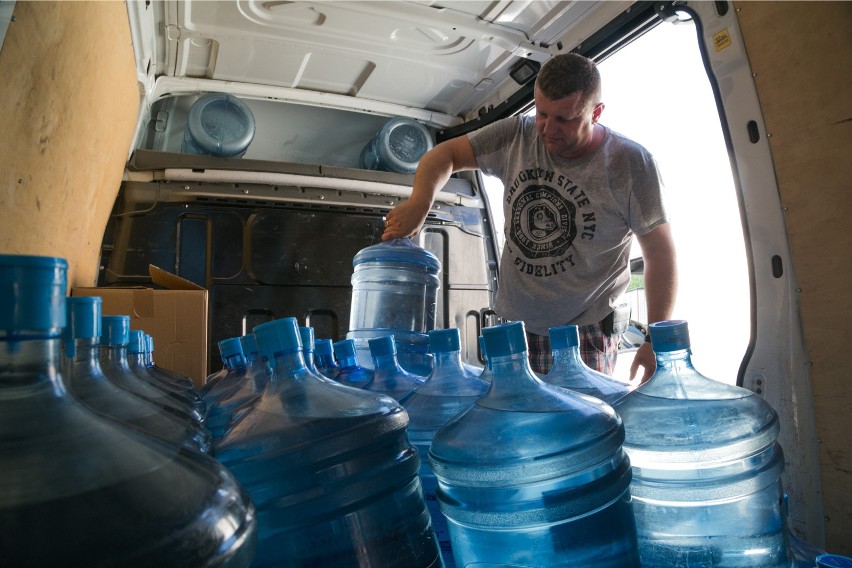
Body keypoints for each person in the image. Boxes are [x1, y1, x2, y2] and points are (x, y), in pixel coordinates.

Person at [381, 53, 677, 383]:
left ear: (596, 113)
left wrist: (655, 340)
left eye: (564, 119)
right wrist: (421, 201)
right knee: (509, 426)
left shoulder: (630, 163)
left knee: (579, 430)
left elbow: (659, 254)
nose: (548, 129)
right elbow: (445, 154)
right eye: (542, 113)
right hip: (513, 326)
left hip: (585, 332)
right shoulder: (517, 134)